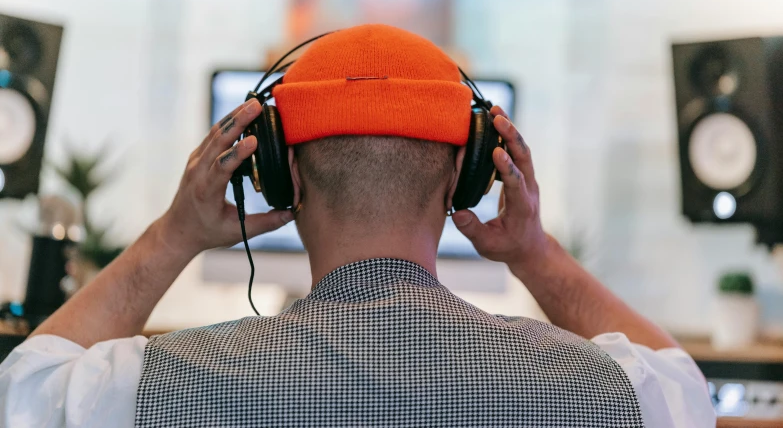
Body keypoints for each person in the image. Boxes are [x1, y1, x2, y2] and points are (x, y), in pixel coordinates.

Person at [0, 25, 714, 427]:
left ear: (283, 175)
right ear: (465, 177)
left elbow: (24, 389)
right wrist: (534, 253)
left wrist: (173, 236)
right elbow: (686, 389)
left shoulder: (150, 388)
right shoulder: (607, 394)